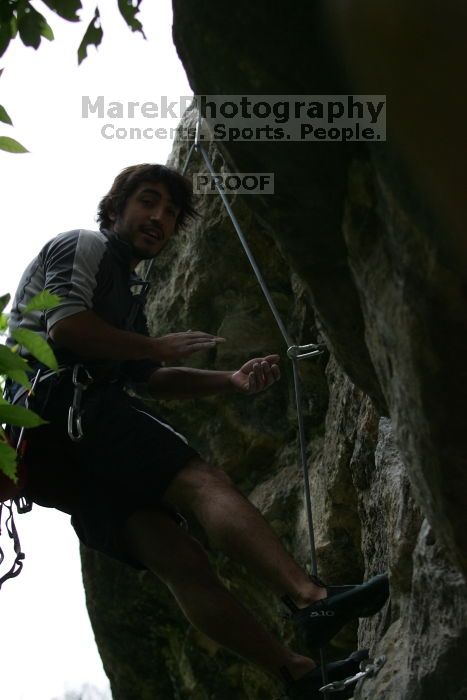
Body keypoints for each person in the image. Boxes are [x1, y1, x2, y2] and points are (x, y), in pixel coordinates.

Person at [4, 164, 388, 699]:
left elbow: (150, 378)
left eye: (171, 213)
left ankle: (297, 674)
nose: (159, 218)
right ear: (115, 208)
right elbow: (67, 326)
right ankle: (309, 598)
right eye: (148, 202)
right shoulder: (84, 246)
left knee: (180, 561)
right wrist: (154, 345)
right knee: (200, 480)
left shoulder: (127, 294)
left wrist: (228, 380)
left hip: (51, 456)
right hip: (68, 404)